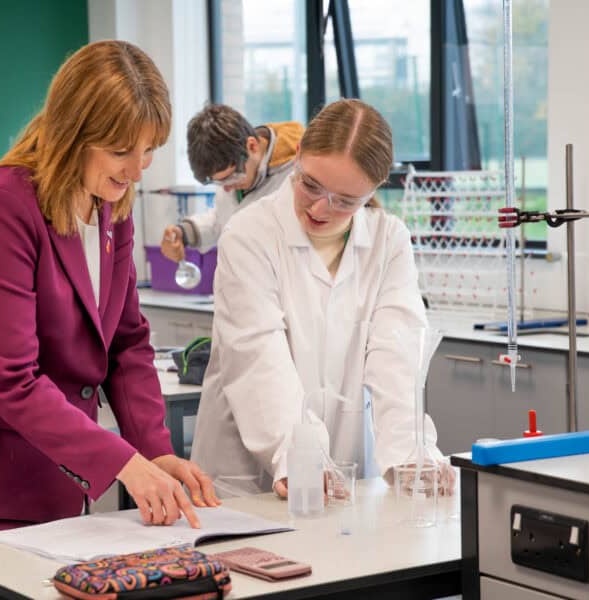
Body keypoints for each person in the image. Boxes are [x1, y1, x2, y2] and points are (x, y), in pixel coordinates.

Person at [0, 40, 219, 599]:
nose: (137, 168)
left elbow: (126, 342)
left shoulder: (110, 203)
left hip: (52, 489)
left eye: (148, 150)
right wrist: (124, 462)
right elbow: (10, 379)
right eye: (122, 150)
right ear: (73, 133)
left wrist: (155, 449)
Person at [190, 98, 454, 498]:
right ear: (298, 155)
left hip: (344, 471)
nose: (319, 208)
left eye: (345, 201)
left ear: (373, 190)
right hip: (248, 479)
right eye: (310, 185)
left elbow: (396, 355)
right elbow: (257, 355)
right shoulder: (249, 233)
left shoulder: (388, 240)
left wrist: (410, 452)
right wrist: (299, 454)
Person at [160, 104, 303, 261]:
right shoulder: (235, 163)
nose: (227, 189)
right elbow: (223, 219)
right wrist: (185, 233)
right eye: (219, 183)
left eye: (231, 177)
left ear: (252, 146)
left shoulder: (296, 172)